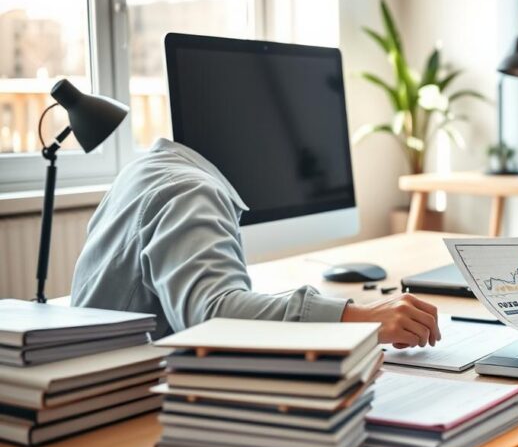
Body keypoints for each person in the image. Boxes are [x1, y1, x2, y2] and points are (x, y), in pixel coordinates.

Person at [72, 137, 441, 348]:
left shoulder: (154, 166)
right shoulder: (191, 190)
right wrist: (362, 318)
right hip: (113, 406)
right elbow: (213, 314)